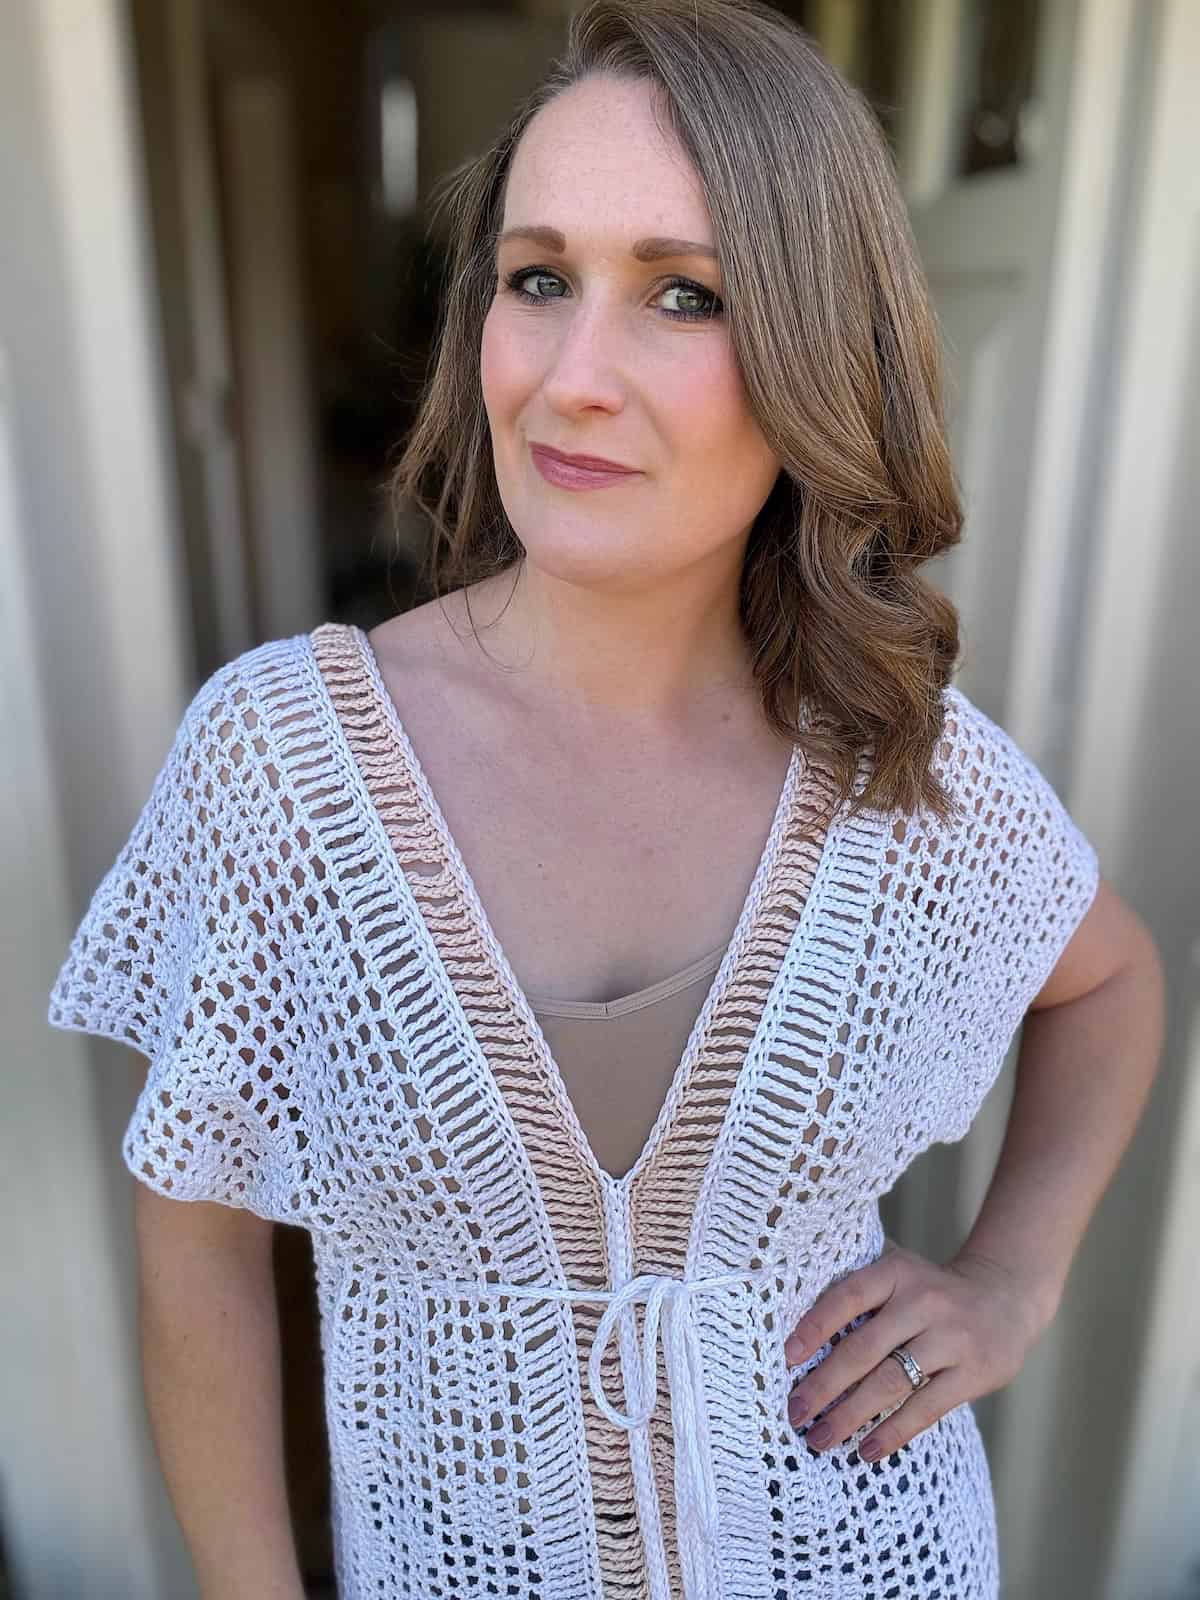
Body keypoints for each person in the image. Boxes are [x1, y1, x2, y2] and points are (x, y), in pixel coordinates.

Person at [47, 2, 1165, 1597]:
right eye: (538, 278)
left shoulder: (904, 766)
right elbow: (200, 1248)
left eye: (684, 295)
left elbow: (1110, 982)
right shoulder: (283, 766)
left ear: (815, 353)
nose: (572, 377)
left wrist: (1010, 1276)